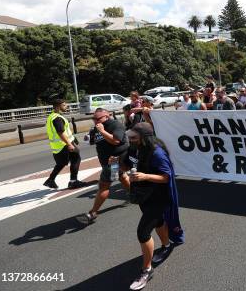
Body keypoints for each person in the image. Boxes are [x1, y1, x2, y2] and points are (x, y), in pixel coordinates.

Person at [126, 123, 184, 290]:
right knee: (158, 222)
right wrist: (118, 163)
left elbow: (166, 177)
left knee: (143, 233)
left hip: (158, 197)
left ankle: (147, 270)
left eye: (134, 138)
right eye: (130, 137)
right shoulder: (135, 148)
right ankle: (166, 246)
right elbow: (128, 163)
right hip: (143, 196)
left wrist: (145, 176)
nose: (130, 140)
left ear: (144, 138)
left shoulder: (157, 153)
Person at [79, 108, 129, 224]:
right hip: (105, 160)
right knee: (121, 177)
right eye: (93, 118)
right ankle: (134, 195)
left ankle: (92, 213)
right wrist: (89, 137)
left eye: (98, 118)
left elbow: (116, 141)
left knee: (104, 185)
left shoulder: (115, 125)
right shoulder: (97, 127)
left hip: (114, 160)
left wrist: (102, 131)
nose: (95, 121)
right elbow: (92, 141)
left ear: (107, 116)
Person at [43, 99, 85, 189]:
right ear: (58, 106)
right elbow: (60, 132)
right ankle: (73, 181)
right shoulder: (57, 118)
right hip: (64, 144)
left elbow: (65, 131)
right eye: (64, 105)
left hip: (58, 145)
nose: (67, 106)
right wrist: (69, 144)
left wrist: (73, 138)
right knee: (76, 159)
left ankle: (50, 180)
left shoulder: (52, 116)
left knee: (61, 163)